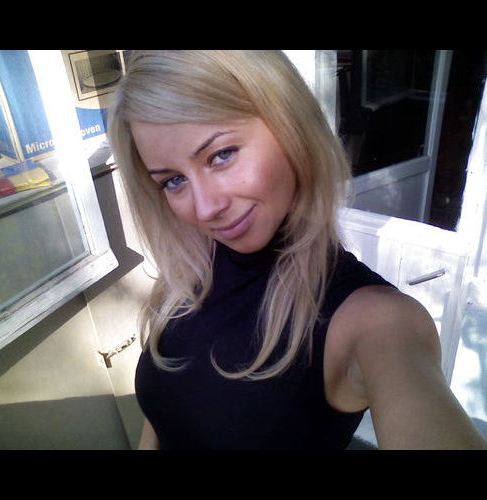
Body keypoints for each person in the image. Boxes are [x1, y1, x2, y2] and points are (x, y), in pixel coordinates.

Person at [107, 50, 486, 450]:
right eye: (173, 180)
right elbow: (160, 417)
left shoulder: (375, 320)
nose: (205, 209)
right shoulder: (189, 275)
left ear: (292, 127)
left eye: (221, 155)